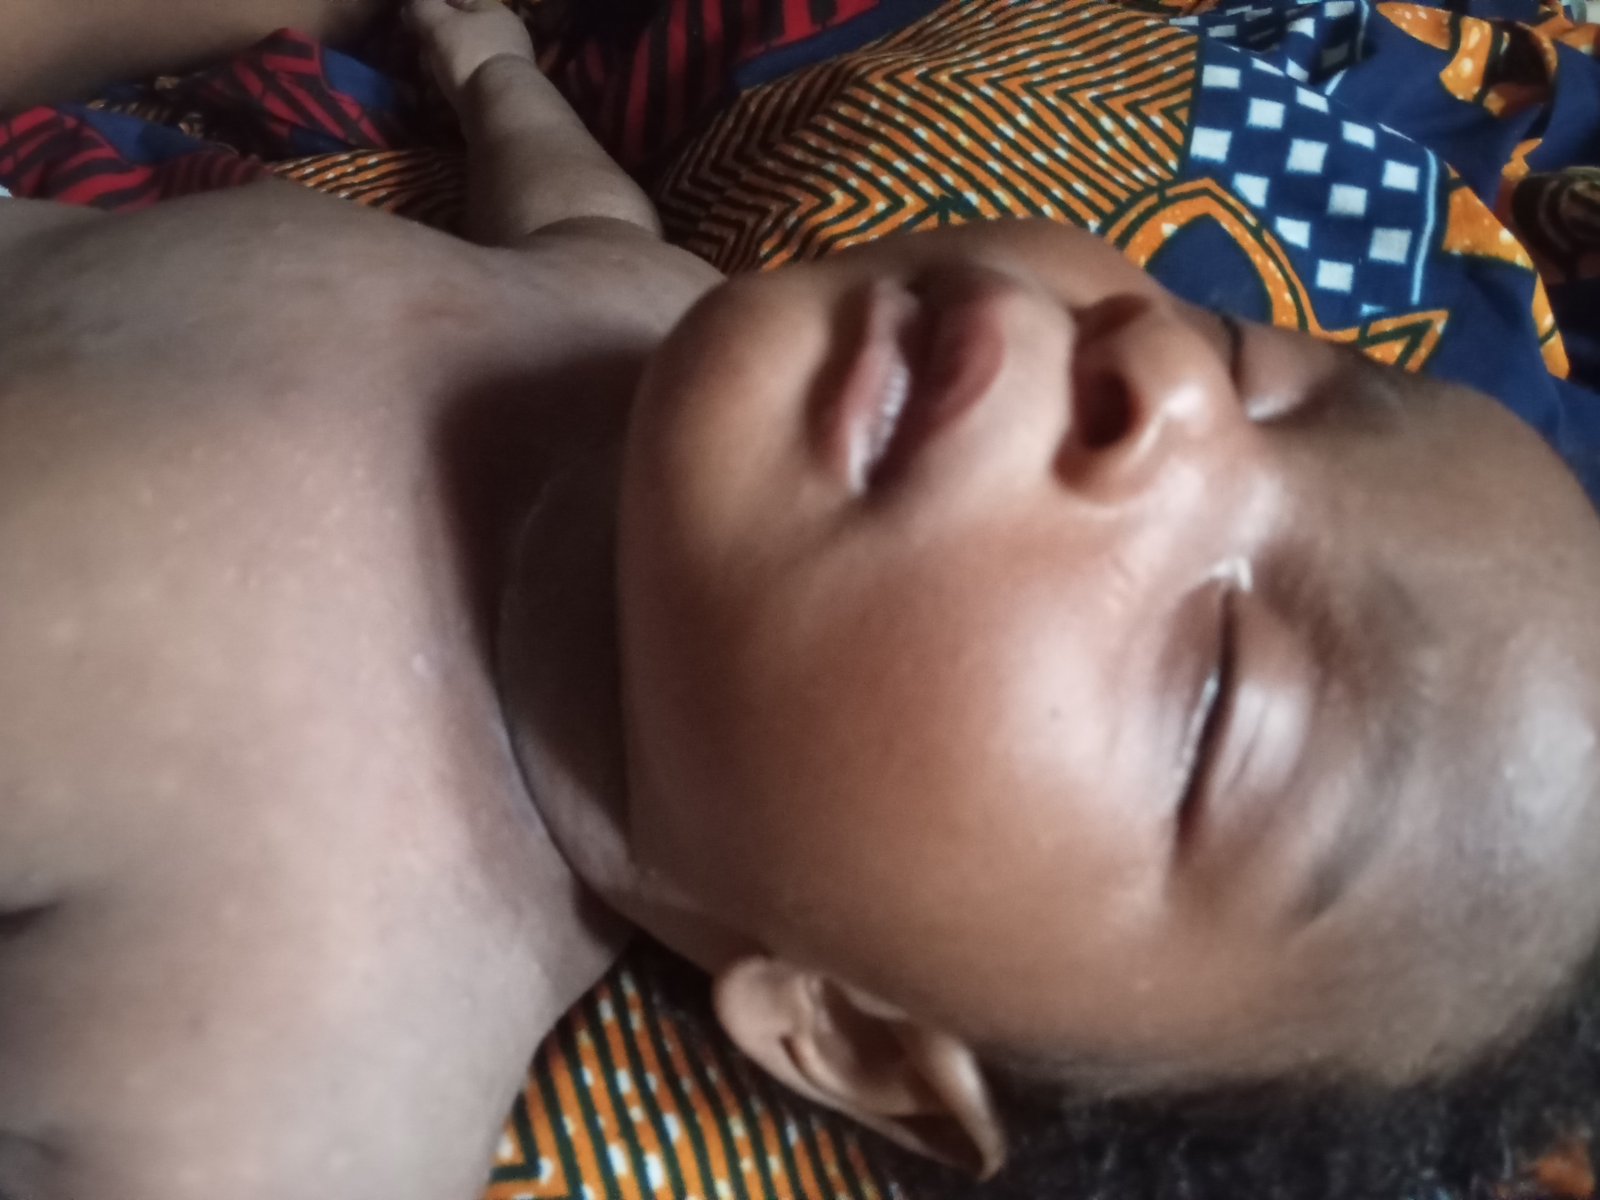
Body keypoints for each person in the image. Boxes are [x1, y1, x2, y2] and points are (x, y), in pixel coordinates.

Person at [2, 1, 1599, 1197]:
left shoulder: (290, 1045)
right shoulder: (640, 314)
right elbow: (575, 213)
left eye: (1222, 695)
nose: (1169, 390)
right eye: (1264, 373)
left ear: (860, 1044)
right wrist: (494, 73)